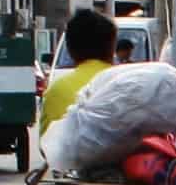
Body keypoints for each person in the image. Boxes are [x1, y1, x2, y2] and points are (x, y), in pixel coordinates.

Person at [38, 7, 117, 137]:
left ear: (69, 48)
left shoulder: (56, 90)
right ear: (112, 46)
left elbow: (45, 144)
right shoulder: (129, 82)